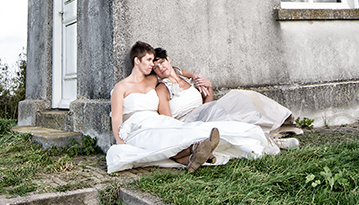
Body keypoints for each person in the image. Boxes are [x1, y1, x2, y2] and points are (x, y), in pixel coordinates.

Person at [106, 42, 279, 174]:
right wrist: (120, 141)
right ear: (137, 61)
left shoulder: (152, 80)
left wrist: (195, 76)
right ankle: (197, 152)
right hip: (136, 125)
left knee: (182, 130)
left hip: (158, 120)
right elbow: (116, 117)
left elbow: (173, 71)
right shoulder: (122, 87)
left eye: (154, 60)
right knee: (157, 138)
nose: (153, 65)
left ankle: (193, 155)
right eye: (149, 60)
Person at [151, 48, 303, 144]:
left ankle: (275, 126)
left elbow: (205, 103)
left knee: (239, 98)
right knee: (230, 116)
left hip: (205, 111)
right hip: (189, 122)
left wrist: (208, 86)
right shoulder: (162, 89)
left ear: (168, 60)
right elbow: (168, 122)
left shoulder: (184, 77)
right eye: (156, 67)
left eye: (162, 62)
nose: (161, 68)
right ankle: (271, 141)